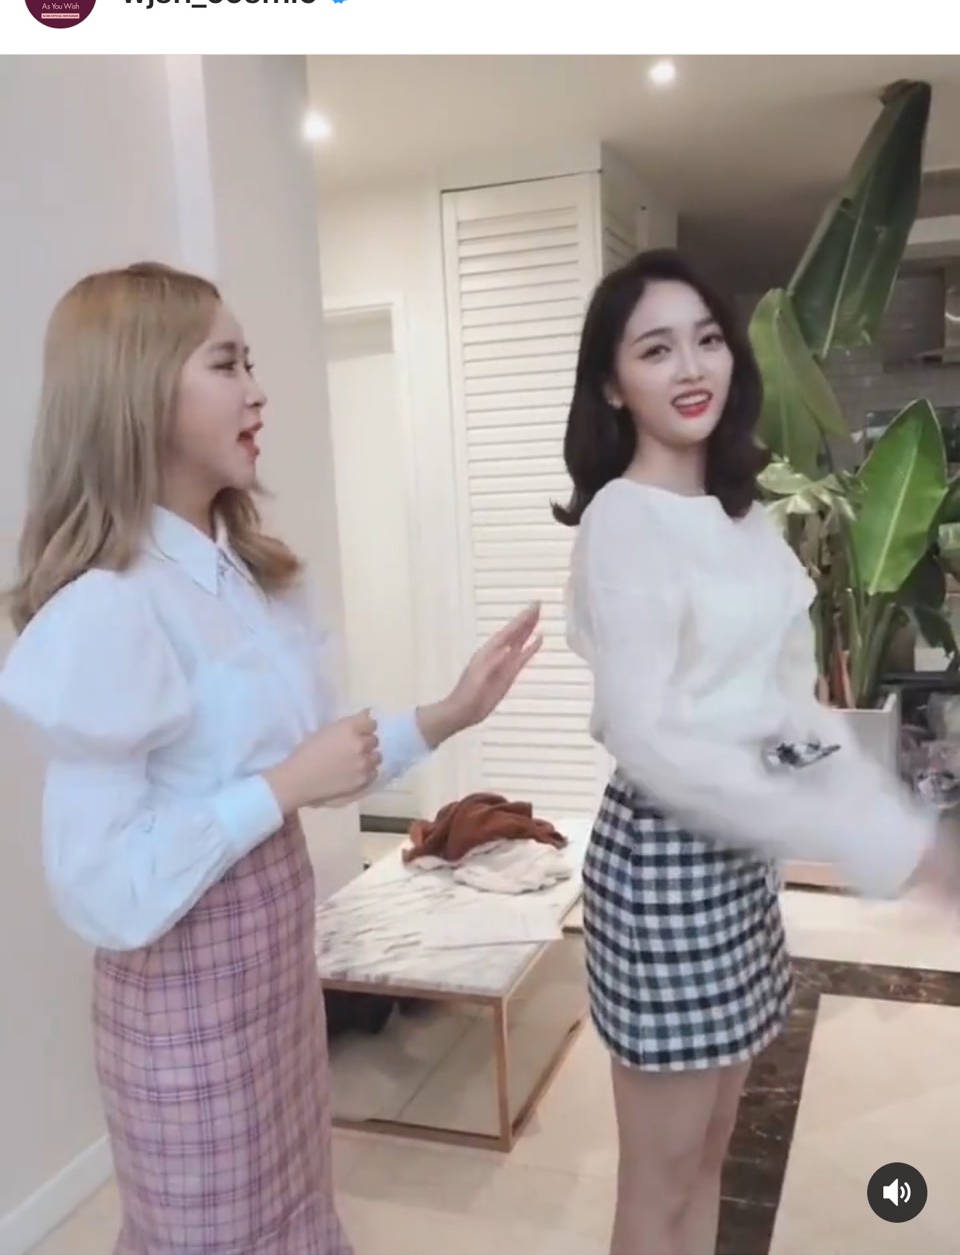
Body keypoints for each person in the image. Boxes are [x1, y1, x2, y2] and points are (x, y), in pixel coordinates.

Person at [0, 261, 542, 1255]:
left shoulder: (246, 578)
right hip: (182, 1021)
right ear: (138, 389)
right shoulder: (109, 610)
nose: (257, 390)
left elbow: (325, 761)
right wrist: (282, 787)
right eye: (227, 364)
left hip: (278, 987)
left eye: (249, 362)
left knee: (294, 1218)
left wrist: (451, 713)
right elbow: (104, 890)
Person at [555, 248, 960, 1255]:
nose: (692, 366)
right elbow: (650, 739)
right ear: (613, 385)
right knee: (658, 1182)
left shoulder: (744, 523)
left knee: (714, 1151)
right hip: (665, 868)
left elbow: (793, 712)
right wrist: (865, 840)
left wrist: (897, 831)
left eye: (706, 339)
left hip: (740, 868)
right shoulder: (623, 522)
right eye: (656, 349)